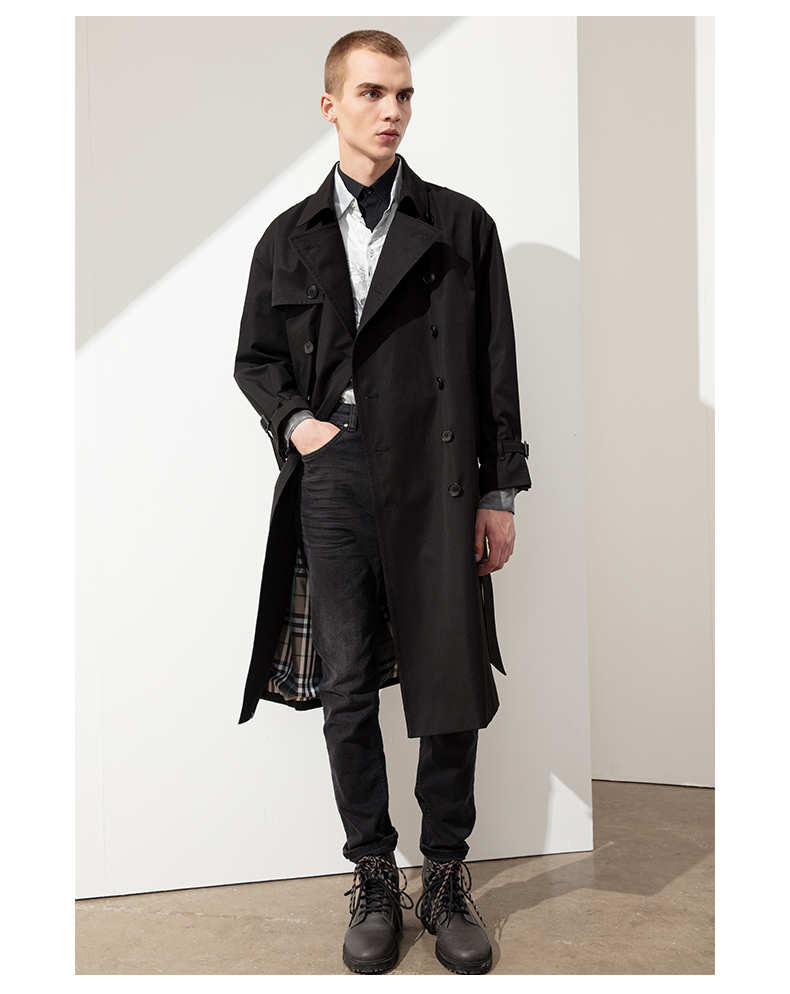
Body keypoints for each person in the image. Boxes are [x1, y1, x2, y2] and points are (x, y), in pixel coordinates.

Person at [234, 29, 531, 975]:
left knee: (447, 677)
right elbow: (256, 359)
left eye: (403, 94)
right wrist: (297, 426)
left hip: (440, 476)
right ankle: (371, 871)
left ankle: (443, 874)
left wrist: (498, 487)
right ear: (331, 106)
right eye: (371, 93)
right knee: (348, 680)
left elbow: (494, 366)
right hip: (338, 474)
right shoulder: (288, 237)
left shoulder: (461, 226)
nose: (392, 111)